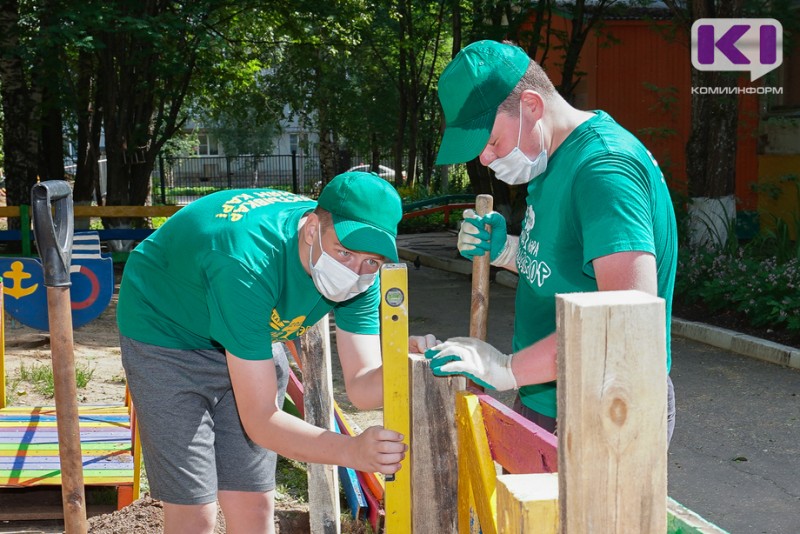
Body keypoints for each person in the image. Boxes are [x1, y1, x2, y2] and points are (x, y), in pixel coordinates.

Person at [117, 171, 436, 534]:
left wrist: (407, 365)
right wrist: (352, 452)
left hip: (249, 334)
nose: (354, 270)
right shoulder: (246, 264)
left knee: (253, 506)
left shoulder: (363, 277)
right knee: (195, 512)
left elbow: (362, 387)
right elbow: (262, 420)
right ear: (312, 229)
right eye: (344, 252)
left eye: (371, 261)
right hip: (166, 334)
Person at [426, 40, 678, 443]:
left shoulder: (604, 170)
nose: (486, 160)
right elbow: (570, 269)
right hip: (550, 395)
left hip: (604, 408)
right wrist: (508, 250)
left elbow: (627, 323)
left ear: (531, 106)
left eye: (490, 142)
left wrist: (507, 369)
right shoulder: (552, 158)